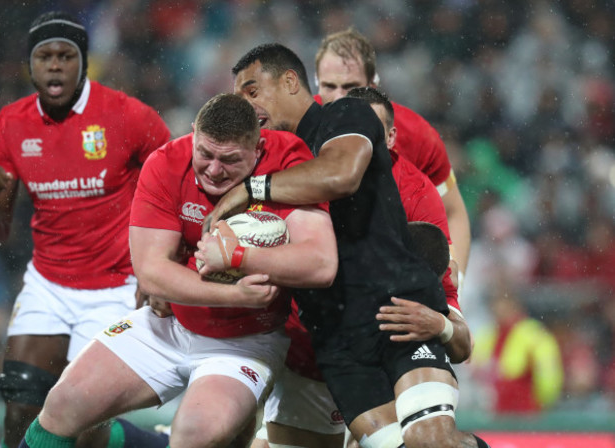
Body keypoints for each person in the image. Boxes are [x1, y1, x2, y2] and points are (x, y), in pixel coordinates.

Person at [17, 93, 338, 448]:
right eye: (205, 153)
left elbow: (321, 264)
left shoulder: (288, 159)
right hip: (168, 325)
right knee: (63, 404)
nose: (214, 169)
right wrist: (234, 293)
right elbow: (152, 272)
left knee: (193, 435)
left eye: (230, 159)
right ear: (193, 135)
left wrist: (236, 256)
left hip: (247, 342)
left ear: (258, 148)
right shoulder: (167, 163)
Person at [209, 43, 489, 448]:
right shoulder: (266, 158)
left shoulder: (345, 115)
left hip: (396, 312)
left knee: (431, 441)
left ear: (290, 82)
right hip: (336, 340)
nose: (245, 105)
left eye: (252, 91)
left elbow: (341, 174)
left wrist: (254, 189)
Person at [0, 11, 171, 448]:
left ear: (83, 62)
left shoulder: (129, 116)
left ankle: (153, 443)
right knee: (21, 399)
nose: (55, 65)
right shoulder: (11, 124)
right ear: (30, 65)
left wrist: (161, 269)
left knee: (84, 426)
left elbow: (176, 188)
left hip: (115, 286)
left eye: (66, 56)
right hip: (49, 285)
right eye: (44, 56)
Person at [313, 28, 472, 292]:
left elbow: (454, 212)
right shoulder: (299, 129)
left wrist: (456, 287)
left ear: (372, 87)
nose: (340, 98)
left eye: (351, 87)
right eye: (330, 86)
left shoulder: (417, 135)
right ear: (316, 84)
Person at [472, 285, 564, 414]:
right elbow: (475, 368)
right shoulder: (487, 334)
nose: (499, 310)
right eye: (495, 305)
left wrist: (541, 404)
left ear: (516, 306)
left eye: (504, 305)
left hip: (526, 413)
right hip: (494, 412)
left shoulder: (535, 335)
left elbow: (549, 377)